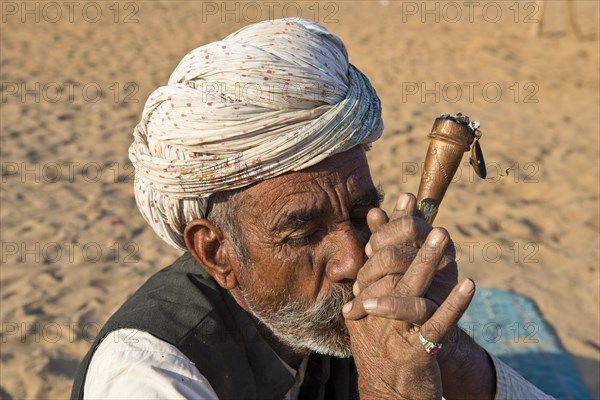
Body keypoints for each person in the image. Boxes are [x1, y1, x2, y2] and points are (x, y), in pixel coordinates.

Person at [71, 18, 553, 399]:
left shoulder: (336, 318)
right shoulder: (148, 374)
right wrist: (390, 390)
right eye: (302, 234)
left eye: (362, 214)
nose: (353, 260)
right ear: (217, 252)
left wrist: (441, 347)